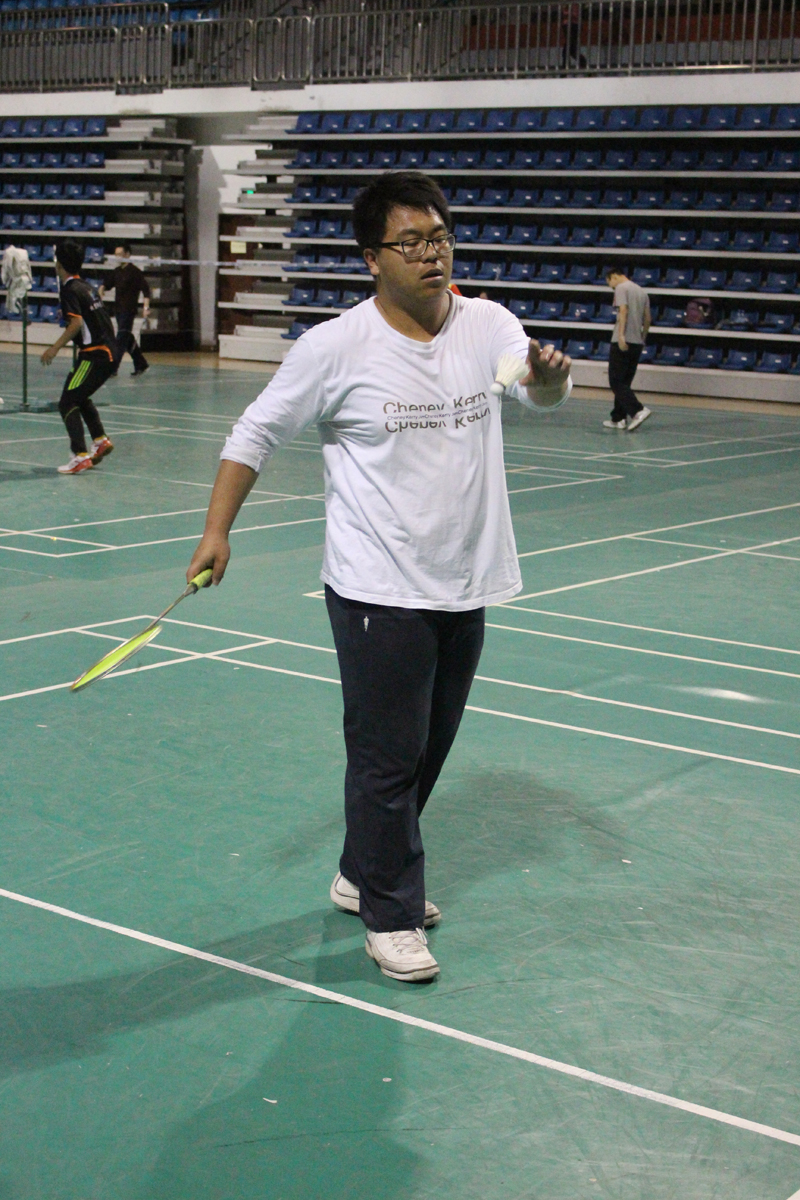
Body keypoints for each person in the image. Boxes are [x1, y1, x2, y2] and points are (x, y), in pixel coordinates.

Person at [185, 172, 572, 983]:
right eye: (411, 242)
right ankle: (389, 914)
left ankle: (362, 872)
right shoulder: (335, 348)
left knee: (426, 749)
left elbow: (533, 390)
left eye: (440, 238)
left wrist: (547, 377)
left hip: (465, 580)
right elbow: (254, 433)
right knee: (386, 760)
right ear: (372, 258)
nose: (431, 255)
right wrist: (218, 530)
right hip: (376, 588)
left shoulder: (487, 323)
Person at [42, 239, 116, 475]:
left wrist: (54, 348)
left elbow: (76, 323)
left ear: (59, 265)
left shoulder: (69, 290)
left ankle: (80, 456)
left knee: (67, 402)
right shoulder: (87, 287)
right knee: (79, 396)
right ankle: (100, 440)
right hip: (108, 352)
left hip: (94, 355)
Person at [604, 269, 652, 431]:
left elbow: (623, 310)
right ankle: (618, 418)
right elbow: (648, 318)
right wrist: (643, 337)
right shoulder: (642, 292)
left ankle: (638, 410)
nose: (612, 287)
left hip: (623, 341)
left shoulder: (621, 288)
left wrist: (621, 336)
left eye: (610, 284)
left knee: (615, 381)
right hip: (637, 342)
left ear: (614, 277)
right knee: (624, 382)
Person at [99, 243, 150, 377]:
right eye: (116, 255)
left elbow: (146, 290)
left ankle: (113, 368)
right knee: (127, 338)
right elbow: (107, 284)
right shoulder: (117, 271)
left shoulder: (135, 272)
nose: (117, 257)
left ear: (127, 254)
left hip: (129, 311)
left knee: (121, 339)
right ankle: (141, 364)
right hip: (118, 310)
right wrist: (102, 288)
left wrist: (146, 308)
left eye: (120, 254)